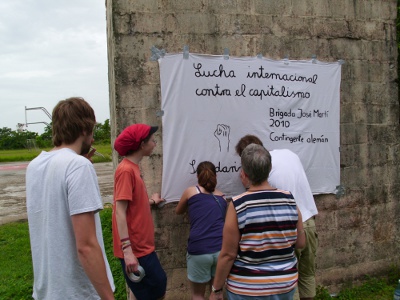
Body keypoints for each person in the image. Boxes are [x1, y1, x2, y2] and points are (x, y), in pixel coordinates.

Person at [26, 97, 115, 300]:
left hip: (47, 291)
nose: (92, 138)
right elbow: (86, 245)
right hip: (77, 293)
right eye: (92, 130)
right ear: (84, 129)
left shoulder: (35, 166)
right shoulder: (78, 166)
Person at [210, 144, 305, 300]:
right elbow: (301, 243)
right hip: (284, 285)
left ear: (244, 174)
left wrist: (216, 289)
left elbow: (227, 255)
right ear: (269, 169)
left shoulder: (238, 205)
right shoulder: (289, 199)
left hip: (247, 288)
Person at [235, 135, 319, 300]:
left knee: (289, 280)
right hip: (309, 222)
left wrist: (247, 184)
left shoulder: (267, 178)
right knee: (307, 275)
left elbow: (264, 205)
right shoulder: (288, 153)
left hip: (291, 229)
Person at [112, 123, 167, 300]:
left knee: (141, 294)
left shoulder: (132, 168)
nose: (155, 144)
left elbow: (131, 203)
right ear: (142, 144)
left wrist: (151, 201)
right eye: (152, 140)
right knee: (158, 288)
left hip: (142, 247)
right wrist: (128, 251)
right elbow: (119, 211)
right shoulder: (126, 171)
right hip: (137, 250)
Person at [176, 161, 227, 300]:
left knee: (197, 295)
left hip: (199, 249)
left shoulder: (191, 191)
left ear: (197, 176)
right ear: (215, 176)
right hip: (220, 250)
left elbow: (178, 211)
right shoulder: (222, 196)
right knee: (217, 292)